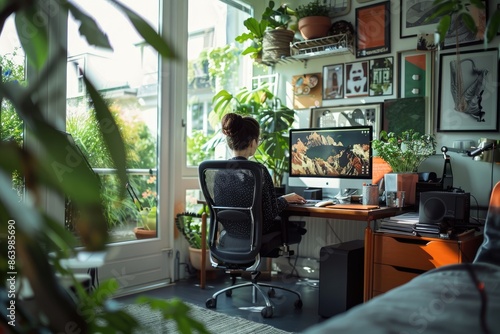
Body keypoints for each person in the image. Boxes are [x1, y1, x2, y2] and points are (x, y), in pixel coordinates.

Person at [217, 112, 306, 235]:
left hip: (231, 231)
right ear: (253, 143)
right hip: (256, 233)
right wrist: (285, 199)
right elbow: (269, 212)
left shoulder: (219, 171)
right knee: (297, 228)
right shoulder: (258, 171)